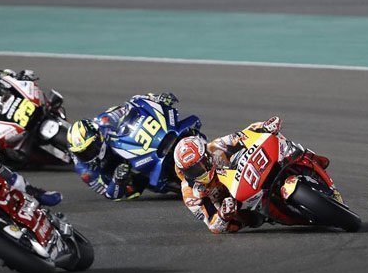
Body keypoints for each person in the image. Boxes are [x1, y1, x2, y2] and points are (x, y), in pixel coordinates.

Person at [174, 116, 311, 234]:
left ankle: (307, 159)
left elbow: (244, 134)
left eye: (201, 164)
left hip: (248, 172)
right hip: (237, 202)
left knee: (282, 149)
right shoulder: (190, 194)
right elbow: (212, 224)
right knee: (250, 221)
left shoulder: (215, 147)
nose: (201, 170)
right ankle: (296, 219)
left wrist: (264, 126)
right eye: (192, 171)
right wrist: (223, 215)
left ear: (206, 155)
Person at [66, 92, 178, 200]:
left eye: (89, 149)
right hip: (116, 168)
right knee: (131, 190)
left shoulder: (105, 120)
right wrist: (117, 180)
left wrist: (155, 98)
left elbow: (132, 104)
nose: (87, 155)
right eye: (81, 153)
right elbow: (108, 194)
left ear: (98, 138)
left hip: (132, 143)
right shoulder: (85, 172)